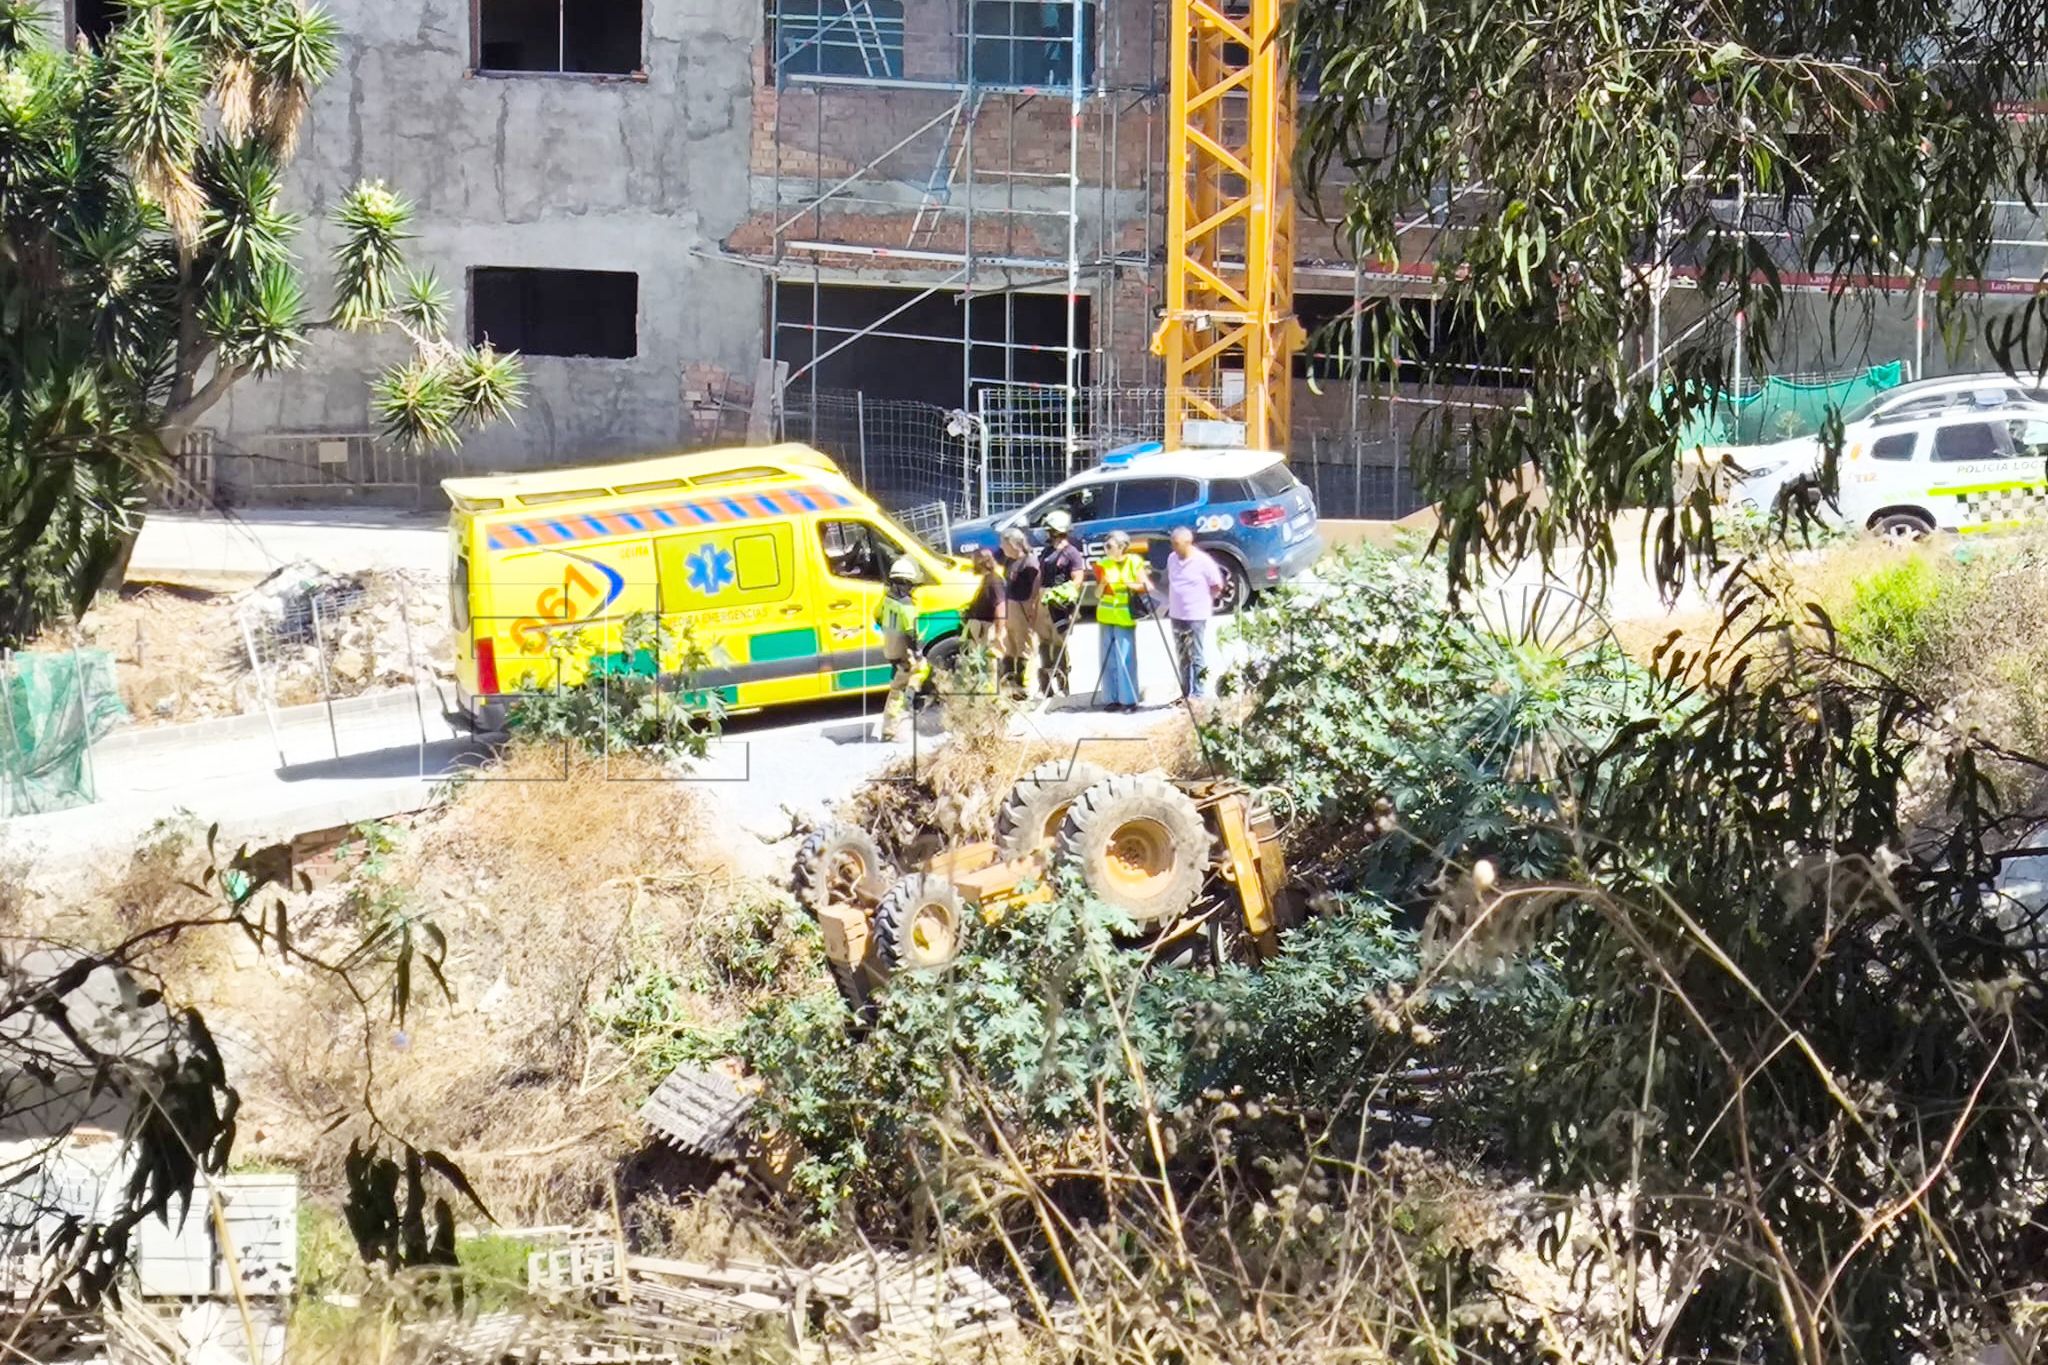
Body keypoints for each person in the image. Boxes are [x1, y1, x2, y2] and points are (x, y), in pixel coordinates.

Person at [1093, 530, 1152, 713]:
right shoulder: (1103, 564)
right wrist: (1103, 583)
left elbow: (1146, 586)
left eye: (1110, 546)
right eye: (1105, 546)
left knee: (1125, 659)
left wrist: (1128, 584)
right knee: (1108, 659)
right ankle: (1112, 699)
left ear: (1122, 547)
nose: (1107, 549)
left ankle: (1129, 700)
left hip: (1125, 616)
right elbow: (1096, 594)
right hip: (1106, 616)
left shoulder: (1134, 562)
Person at [1165, 526, 1226, 701]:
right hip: (1177, 614)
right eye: (1173, 544)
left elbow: (1217, 585)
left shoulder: (1202, 561)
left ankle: (1199, 694)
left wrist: (1205, 599)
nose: (1174, 547)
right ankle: (1185, 693)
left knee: (1196, 654)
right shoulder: (1172, 559)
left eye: (1177, 544)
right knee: (1183, 655)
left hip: (1196, 615)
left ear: (1188, 543)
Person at [1034, 509, 1088, 696]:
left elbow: (1077, 579)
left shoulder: (1071, 553)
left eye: (1048, 529)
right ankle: (1046, 686)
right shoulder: (1047, 551)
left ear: (1056, 530)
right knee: (1043, 643)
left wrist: (1062, 595)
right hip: (1043, 603)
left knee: (1059, 644)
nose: (1046, 533)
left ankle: (1063, 685)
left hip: (1060, 605)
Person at [875, 555, 924, 741]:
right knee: (901, 686)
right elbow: (911, 634)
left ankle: (909, 701)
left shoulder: (887, 600)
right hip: (901, 651)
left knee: (902, 677)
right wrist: (917, 653)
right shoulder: (906, 606)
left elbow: (877, 616)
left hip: (889, 647)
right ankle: (890, 729)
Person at [999, 527, 1042, 699]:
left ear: (1013, 544)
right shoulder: (1010, 562)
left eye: (1004, 544)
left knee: (1023, 648)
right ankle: (1010, 685)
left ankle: (1022, 688)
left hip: (1022, 607)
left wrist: (1032, 612)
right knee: (1009, 647)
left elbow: (1035, 591)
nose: (1002, 548)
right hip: (1010, 606)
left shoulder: (1029, 563)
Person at [964, 548, 1005, 652]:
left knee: (990, 664)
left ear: (982, 562)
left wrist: (998, 635)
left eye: (974, 560)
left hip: (990, 630)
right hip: (982, 629)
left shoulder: (994, 581)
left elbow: (1000, 608)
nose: (972, 564)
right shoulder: (987, 579)